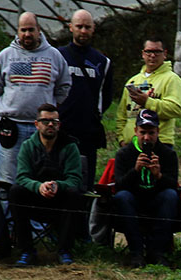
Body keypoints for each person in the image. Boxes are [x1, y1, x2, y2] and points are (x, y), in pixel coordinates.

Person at [0, 12, 72, 188]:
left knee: (39, 176)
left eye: (31, 30)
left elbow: (64, 86)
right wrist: (8, 106)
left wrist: (50, 106)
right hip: (11, 126)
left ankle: (35, 215)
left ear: (38, 30)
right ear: (17, 31)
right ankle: (6, 214)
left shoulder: (54, 56)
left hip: (41, 128)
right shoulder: (5, 56)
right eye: (23, 30)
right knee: (7, 180)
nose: (27, 34)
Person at [9, 104, 82, 266]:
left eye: (54, 121)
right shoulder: (28, 146)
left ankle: (65, 251)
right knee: (15, 191)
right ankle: (27, 251)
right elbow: (22, 177)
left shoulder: (70, 146)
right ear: (36, 124)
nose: (50, 125)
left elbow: (75, 179)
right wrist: (38, 187)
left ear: (59, 125)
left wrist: (57, 185)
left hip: (60, 200)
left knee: (74, 193)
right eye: (46, 121)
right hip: (35, 200)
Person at [111, 109, 181, 268]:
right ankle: (136, 252)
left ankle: (156, 252)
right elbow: (119, 185)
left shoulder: (167, 154)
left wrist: (159, 176)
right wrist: (135, 170)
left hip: (156, 199)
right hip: (133, 199)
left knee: (170, 195)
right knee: (122, 196)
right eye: (143, 132)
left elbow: (173, 185)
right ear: (135, 131)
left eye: (151, 133)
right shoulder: (124, 153)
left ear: (158, 132)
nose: (147, 137)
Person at [58, 10, 113, 186]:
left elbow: (107, 95)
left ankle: (84, 212)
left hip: (88, 132)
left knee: (85, 181)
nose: (83, 31)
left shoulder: (102, 61)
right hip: (60, 129)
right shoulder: (57, 56)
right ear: (71, 27)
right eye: (79, 26)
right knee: (58, 175)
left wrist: (91, 114)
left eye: (87, 27)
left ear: (93, 29)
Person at [116, 36, 181, 147]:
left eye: (157, 51)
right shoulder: (133, 81)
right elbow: (122, 114)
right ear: (143, 54)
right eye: (149, 51)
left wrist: (147, 102)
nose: (152, 55)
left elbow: (176, 109)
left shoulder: (172, 79)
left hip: (159, 143)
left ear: (165, 54)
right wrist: (121, 138)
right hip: (131, 144)